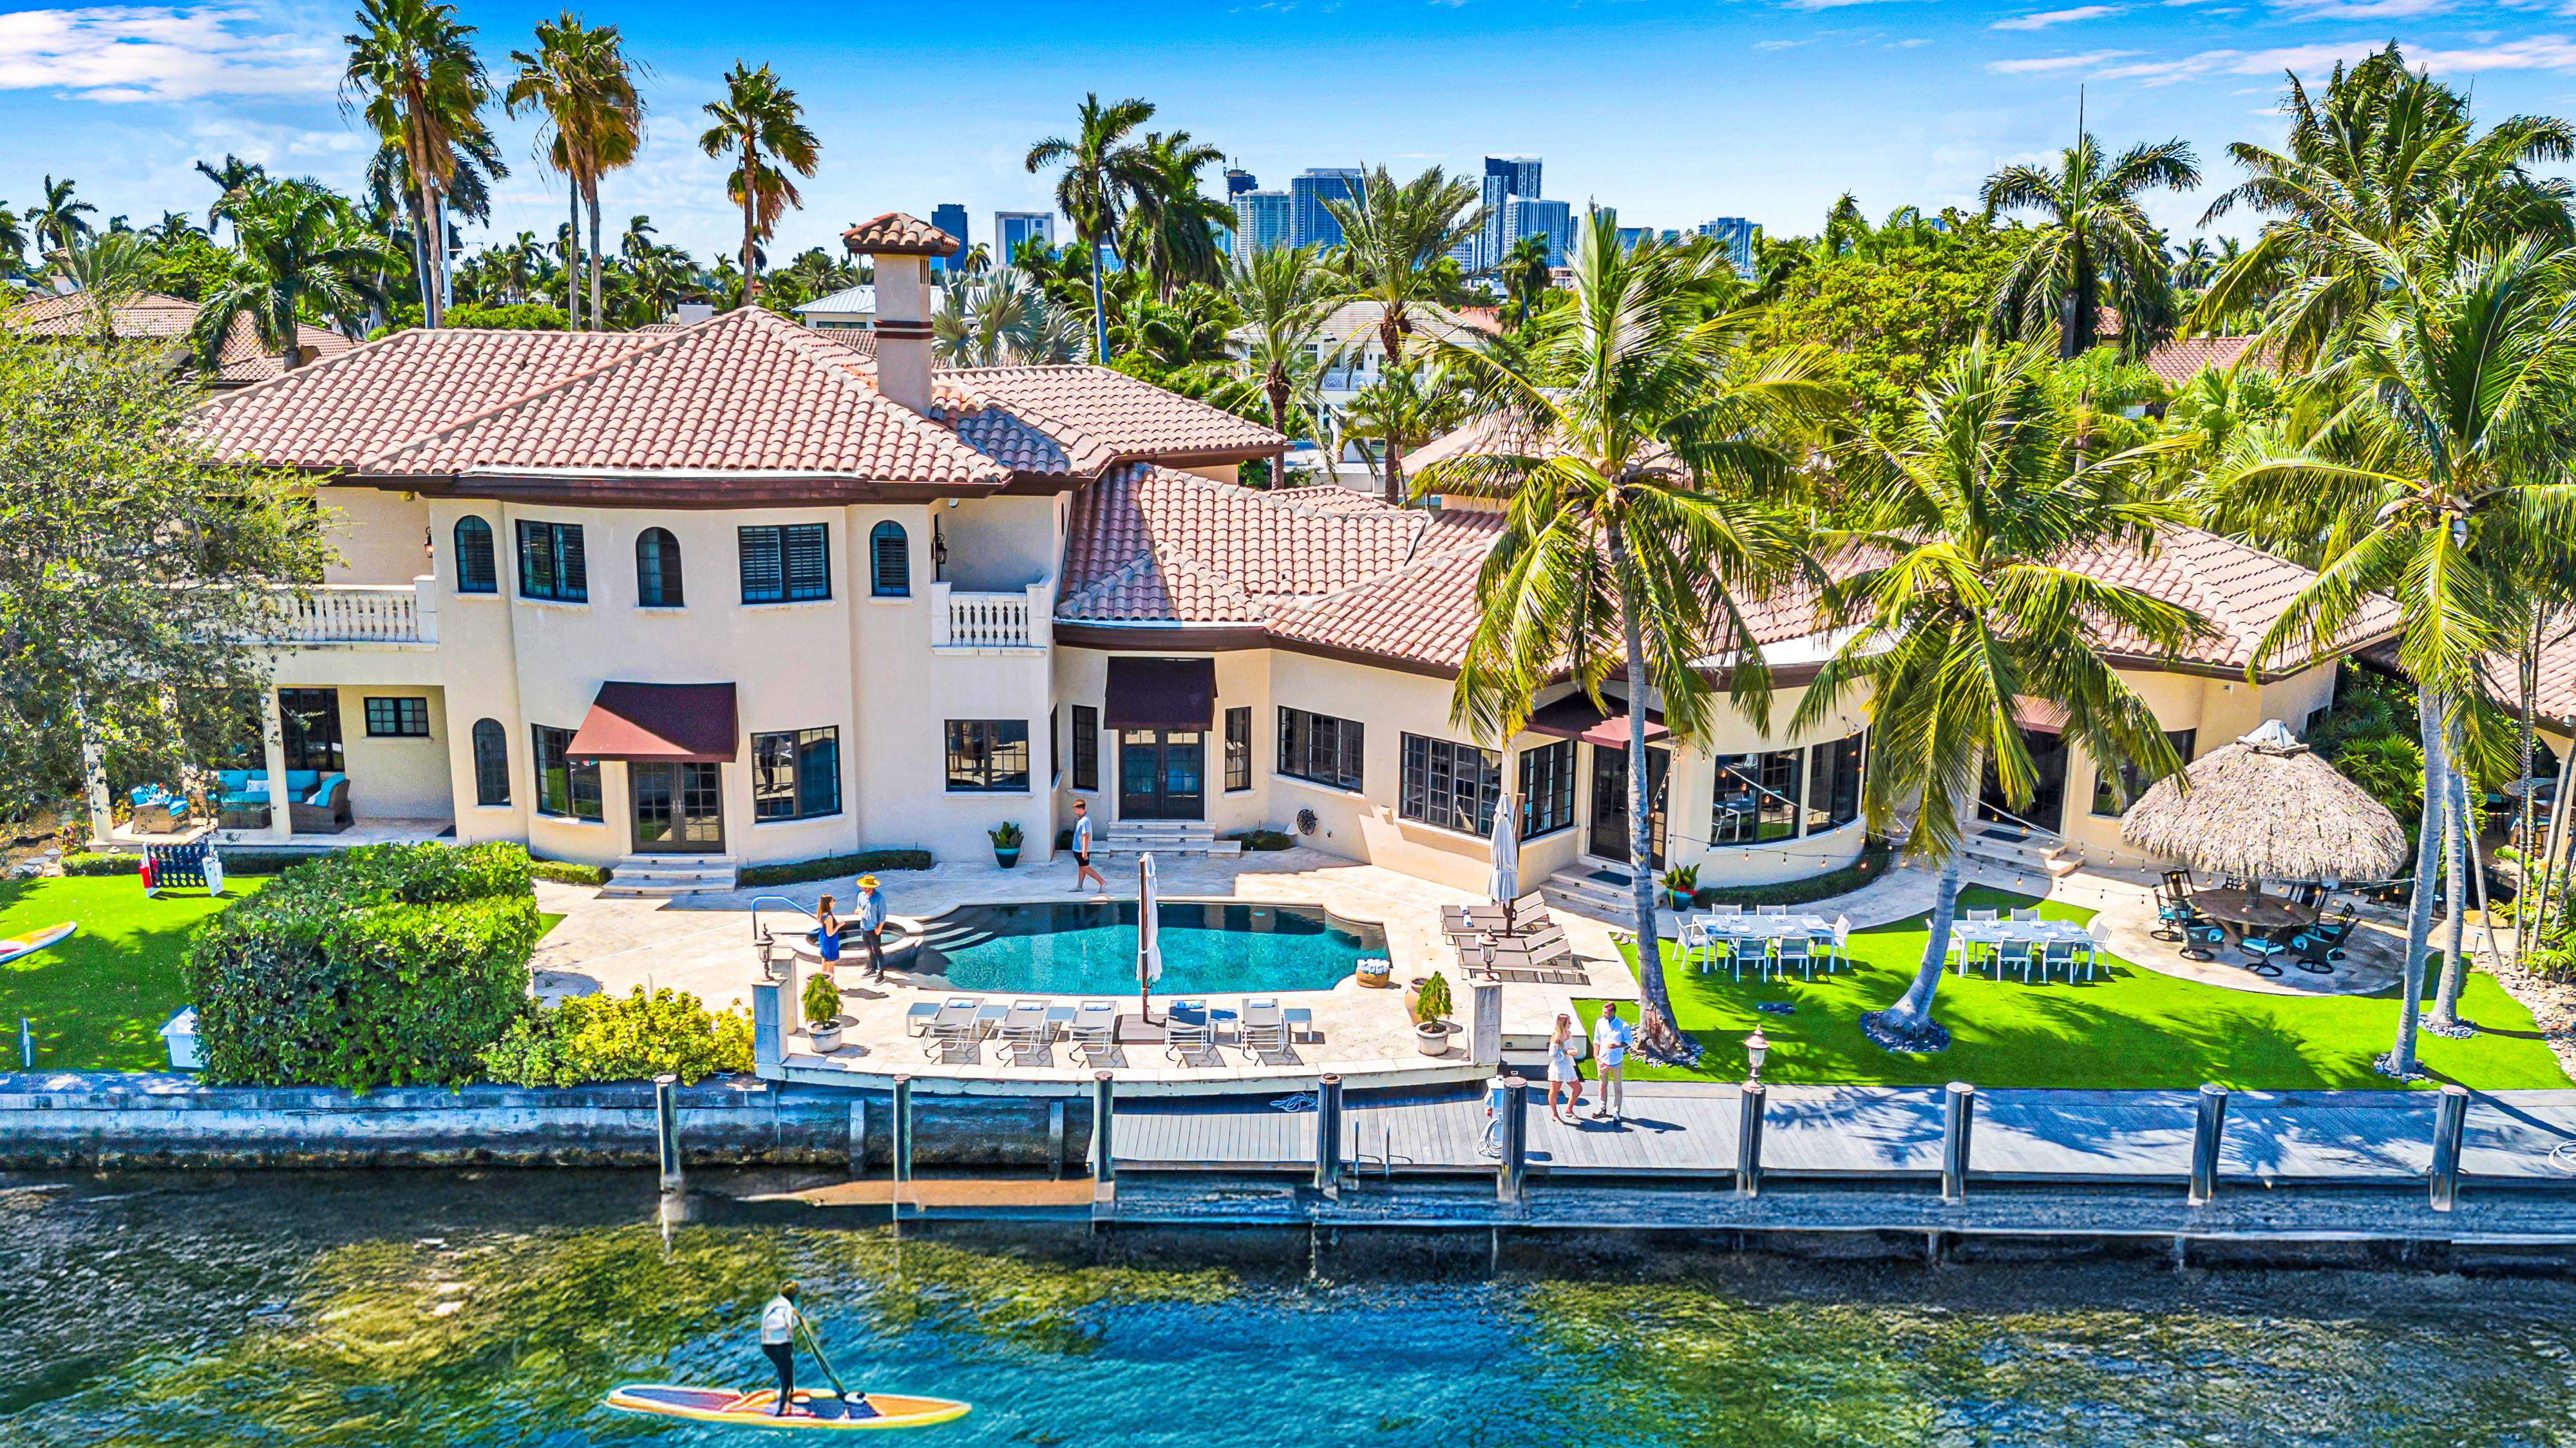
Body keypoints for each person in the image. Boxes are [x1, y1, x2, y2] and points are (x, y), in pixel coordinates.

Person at [759, 1281, 806, 1416]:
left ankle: (788, 1392)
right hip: (780, 1344)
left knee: (784, 1367)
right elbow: (788, 1327)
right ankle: (783, 1406)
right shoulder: (788, 1308)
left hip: (767, 1346)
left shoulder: (773, 1304)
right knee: (786, 1367)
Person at [1590, 1002, 1632, 1123]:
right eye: (1603, 1012)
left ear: (1613, 1012)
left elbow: (1629, 1041)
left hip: (1617, 1062)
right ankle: (1602, 1108)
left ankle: (1616, 1112)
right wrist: (1595, 1054)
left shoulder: (1623, 1025)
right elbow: (1596, 1039)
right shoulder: (1600, 1022)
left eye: (1606, 1012)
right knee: (1602, 1085)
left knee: (1617, 1087)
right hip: (1602, 1060)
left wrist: (1618, 1045)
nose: (1603, 1015)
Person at [1546, 1013, 1583, 1123]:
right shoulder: (1556, 1037)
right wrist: (1566, 1052)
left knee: (1578, 1088)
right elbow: (1552, 1055)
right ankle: (1555, 1114)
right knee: (1554, 1092)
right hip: (1559, 1067)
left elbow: (1570, 1046)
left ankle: (1569, 1109)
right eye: (1569, 1022)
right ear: (1563, 1023)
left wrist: (1573, 1051)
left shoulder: (1568, 1033)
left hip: (1568, 1065)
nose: (1571, 1024)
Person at [855, 875, 887, 982]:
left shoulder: (880, 898)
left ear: (873, 887)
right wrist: (858, 911)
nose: (865, 889)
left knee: (877, 951)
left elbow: (882, 916)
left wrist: (879, 928)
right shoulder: (861, 896)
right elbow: (859, 907)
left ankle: (881, 973)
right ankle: (873, 968)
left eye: (867, 888)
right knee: (869, 950)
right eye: (864, 887)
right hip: (863, 927)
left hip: (874, 928)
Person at [1070, 799, 1106, 894]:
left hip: (1081, 850)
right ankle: (1080, 886)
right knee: (1081, 867)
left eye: (1076, 810)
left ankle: (1102, 882)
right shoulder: (1081, 819)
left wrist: (1084, 852)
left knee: (1086, 868)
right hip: (1078, 849)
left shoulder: (1085, 821)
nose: (1075, 812)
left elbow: (1085, 836)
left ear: (1080, 809)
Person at [813, 895, 842, 968]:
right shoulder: (829, 917)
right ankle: (830, 978)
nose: (834, 902)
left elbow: (824, 924)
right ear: (828, 903)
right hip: (830, 941)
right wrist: (839, 925)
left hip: (823, 937)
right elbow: (830, 934)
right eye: (833, 901)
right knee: (831, 962)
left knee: (825, 959)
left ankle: (824, 977)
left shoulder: (822, 913)